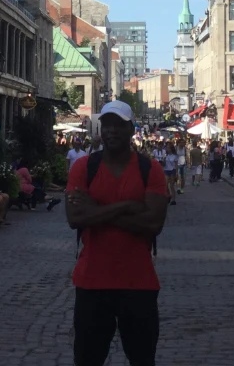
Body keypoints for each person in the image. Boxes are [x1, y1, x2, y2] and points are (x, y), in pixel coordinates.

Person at [66, 100, 169, 366]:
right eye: (107, 125)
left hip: (139, 283)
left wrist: (97, 211)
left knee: (142, 359)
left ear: (131, 128)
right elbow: (75, 218)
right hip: (91, 282)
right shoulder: (84, 168)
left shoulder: (150, 170)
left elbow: (154, 224)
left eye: (119, 125)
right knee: (87, 359)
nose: (112, 131)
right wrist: (126, 207)